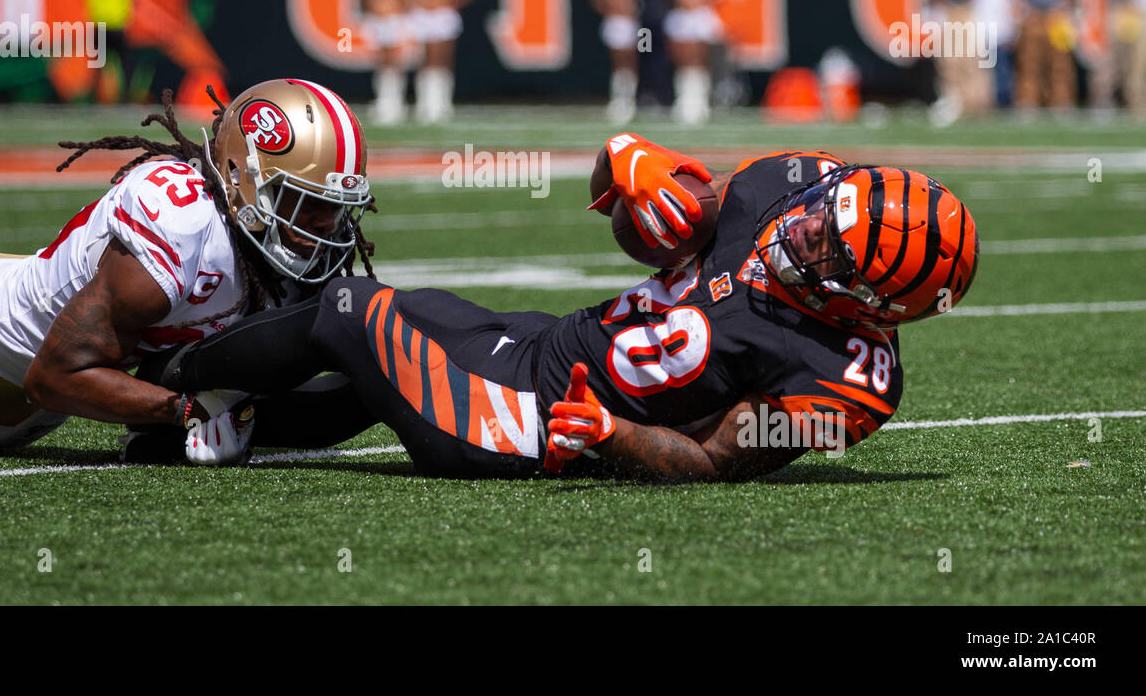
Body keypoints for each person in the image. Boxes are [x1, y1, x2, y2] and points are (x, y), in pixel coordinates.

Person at [142, 137, 979, 481]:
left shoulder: (851, 383)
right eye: (823, 212)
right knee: (367, 379)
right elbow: (641, 224)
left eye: (828, 249)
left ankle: (153, 378)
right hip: (544, 340)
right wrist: (632, 185)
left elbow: (713, 462)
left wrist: (615, 436)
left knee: (350, 311)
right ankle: (183, 432)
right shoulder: (790, 186)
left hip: (539, 417)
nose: (803, 229)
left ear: (873, 306)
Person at [0, 80, 375, 465]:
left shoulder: (267, 258)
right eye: (305, 205)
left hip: (28, 412)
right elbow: (55, 375)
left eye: (334, 209)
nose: (321, 230)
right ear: (243, 178)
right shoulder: (181, 224)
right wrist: (187, 412)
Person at [407, 0, 476, 125]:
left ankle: (442, 104)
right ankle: (425, 104)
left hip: (442, 15)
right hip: (425, 16)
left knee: (442, 60)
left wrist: (452, 3)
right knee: (425, 60)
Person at [589, 0, 643, 124]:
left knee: (631, 62)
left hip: (633, 23)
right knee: (619, 62)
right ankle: (620, 99)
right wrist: (611, 8)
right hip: (617, 22)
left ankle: (629, 99)